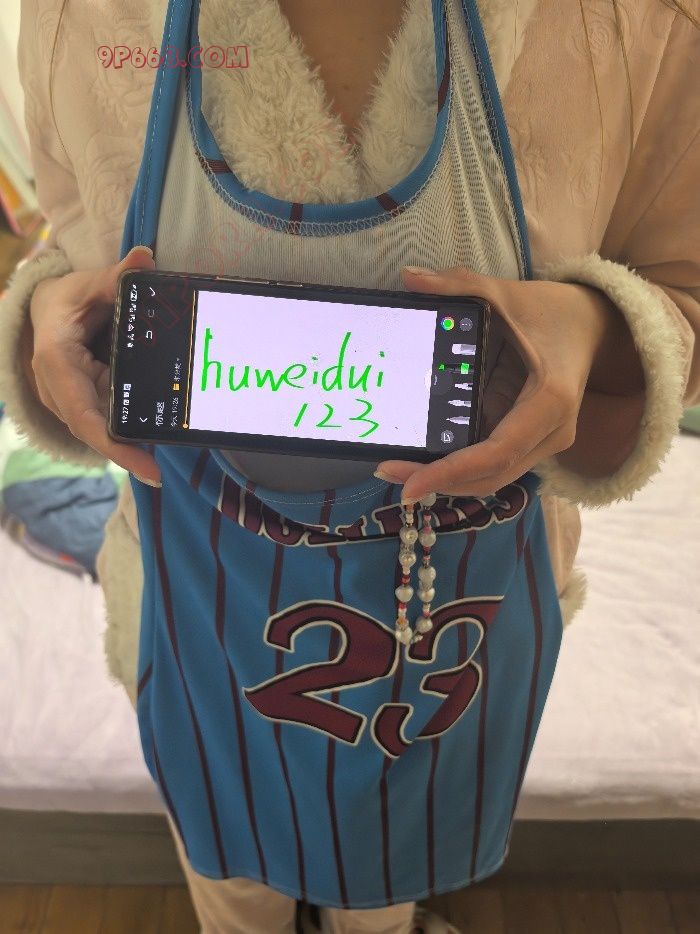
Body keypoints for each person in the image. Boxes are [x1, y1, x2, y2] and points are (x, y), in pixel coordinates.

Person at [1, 1, 698, 932]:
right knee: (234, 895)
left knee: (380, 891)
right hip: (193, 611)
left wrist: (605, 330)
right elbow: (74, 245)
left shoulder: (635, 19)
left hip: (456, 635)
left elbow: (684, 283)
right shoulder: (76, 13)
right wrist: (50, 318)